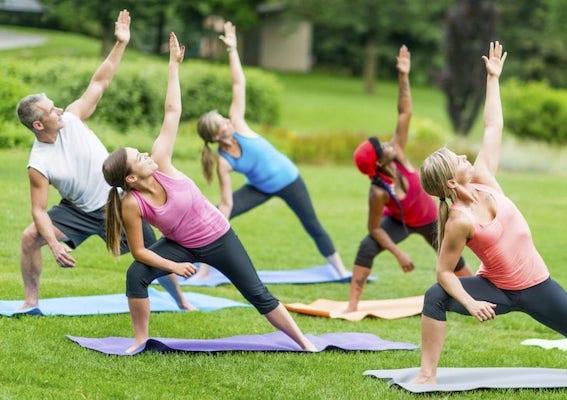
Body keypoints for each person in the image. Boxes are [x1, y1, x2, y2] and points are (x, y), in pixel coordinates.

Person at [102, 33, 317, 353]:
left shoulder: (161, 162)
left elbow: (171, 112)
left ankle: (304, 342)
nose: (147, 155)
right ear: (131, 177)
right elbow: (139, 252)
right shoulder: (131, 203)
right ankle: (139, 339)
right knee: (136, 275)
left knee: (257, 294)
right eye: (139, 157)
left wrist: (173, 66)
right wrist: (173, 266)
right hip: (181, 247)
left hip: (219, 237)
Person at [414, 42, 567, 384]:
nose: (466, 157)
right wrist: (470, 303)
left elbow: (492, 128)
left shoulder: (484, 178)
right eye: (458, 160)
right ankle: (427, 374)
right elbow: (444, 272)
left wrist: (493, 78)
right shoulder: (458, 221)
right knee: (433, 297)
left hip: (538, 286)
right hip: (497, 290)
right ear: (452, 181)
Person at [16, 9, 187, 310]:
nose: (58, 111)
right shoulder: (38, 163)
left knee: (150, 249)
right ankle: (31, 303)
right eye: (51, 111)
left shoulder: (72, 118)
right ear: (38, 125)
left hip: (117, 202)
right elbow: (39, 211)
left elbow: (101, 81)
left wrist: (120, 43)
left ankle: (183, 302)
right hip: (78, 211)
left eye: (55, 106)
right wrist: (55, 245)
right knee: (30, 238)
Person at [194, 21, 347, 279]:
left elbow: (238, 85)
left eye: (225, 119)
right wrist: (220, 219)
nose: (229, 121)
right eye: (223, 123)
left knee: (312, 225)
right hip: (260, 188)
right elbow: (227, 203)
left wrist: (232, 50)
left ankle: (341, 270)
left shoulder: (239, 125)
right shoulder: (224, 161)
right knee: (216, 216)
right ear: (218, 136)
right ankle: (204, 269)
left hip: (289, 180)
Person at [346, 45, 471, 313]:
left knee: (453, 259)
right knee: (367, 247)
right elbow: (375, 228)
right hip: (399, 223)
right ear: (379, 162)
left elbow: (404, 113)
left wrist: (403, 75)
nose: (387, 145)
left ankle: (473, 297)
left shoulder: (398, 154)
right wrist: (398, 253)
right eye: (382, 148)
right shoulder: (378, 191)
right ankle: (351, 306)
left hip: (429, 218)